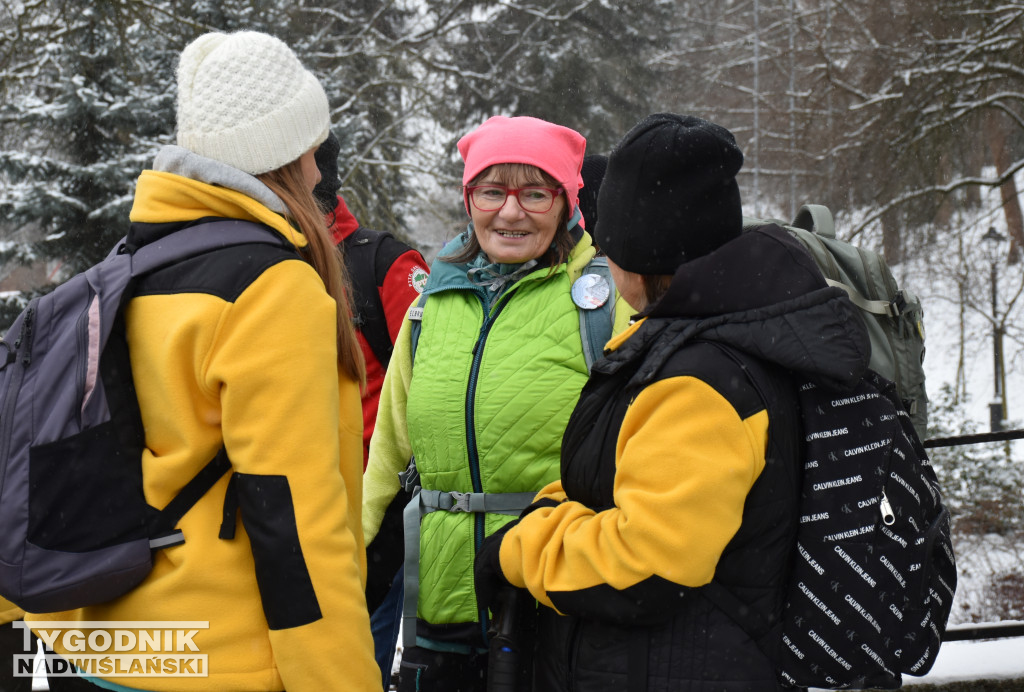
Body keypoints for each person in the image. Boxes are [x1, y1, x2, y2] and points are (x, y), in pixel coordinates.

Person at [26, 31, 379, 692]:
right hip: (219, 657)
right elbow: (297, 523)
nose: (317, 170)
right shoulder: (272, 290)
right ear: (285, 156)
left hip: (94, 644)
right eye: (312, 148)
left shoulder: (130, 268)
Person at [473, 113, 871, 691]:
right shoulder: (708, 341)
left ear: (637, 253)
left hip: (677, 669)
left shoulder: (698, 382)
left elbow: (647, 565)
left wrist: (519, 549)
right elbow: (616, 479)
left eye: (606, 243)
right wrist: (552, 511)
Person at [362, 115, 627, 691]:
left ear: (566, 201)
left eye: (535, 193)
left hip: (559, 605)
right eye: (491, 191)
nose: (510, 212)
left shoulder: (607, 301)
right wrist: (350, 564)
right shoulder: (432, 305)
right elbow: (387, 455)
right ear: (468, 199)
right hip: (442, 611)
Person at [313, 133, 428, 689]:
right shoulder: (257, 263)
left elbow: (430, 387)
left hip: (372, 507)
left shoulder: (383, 263)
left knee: (357, 658)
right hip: (287, 504)